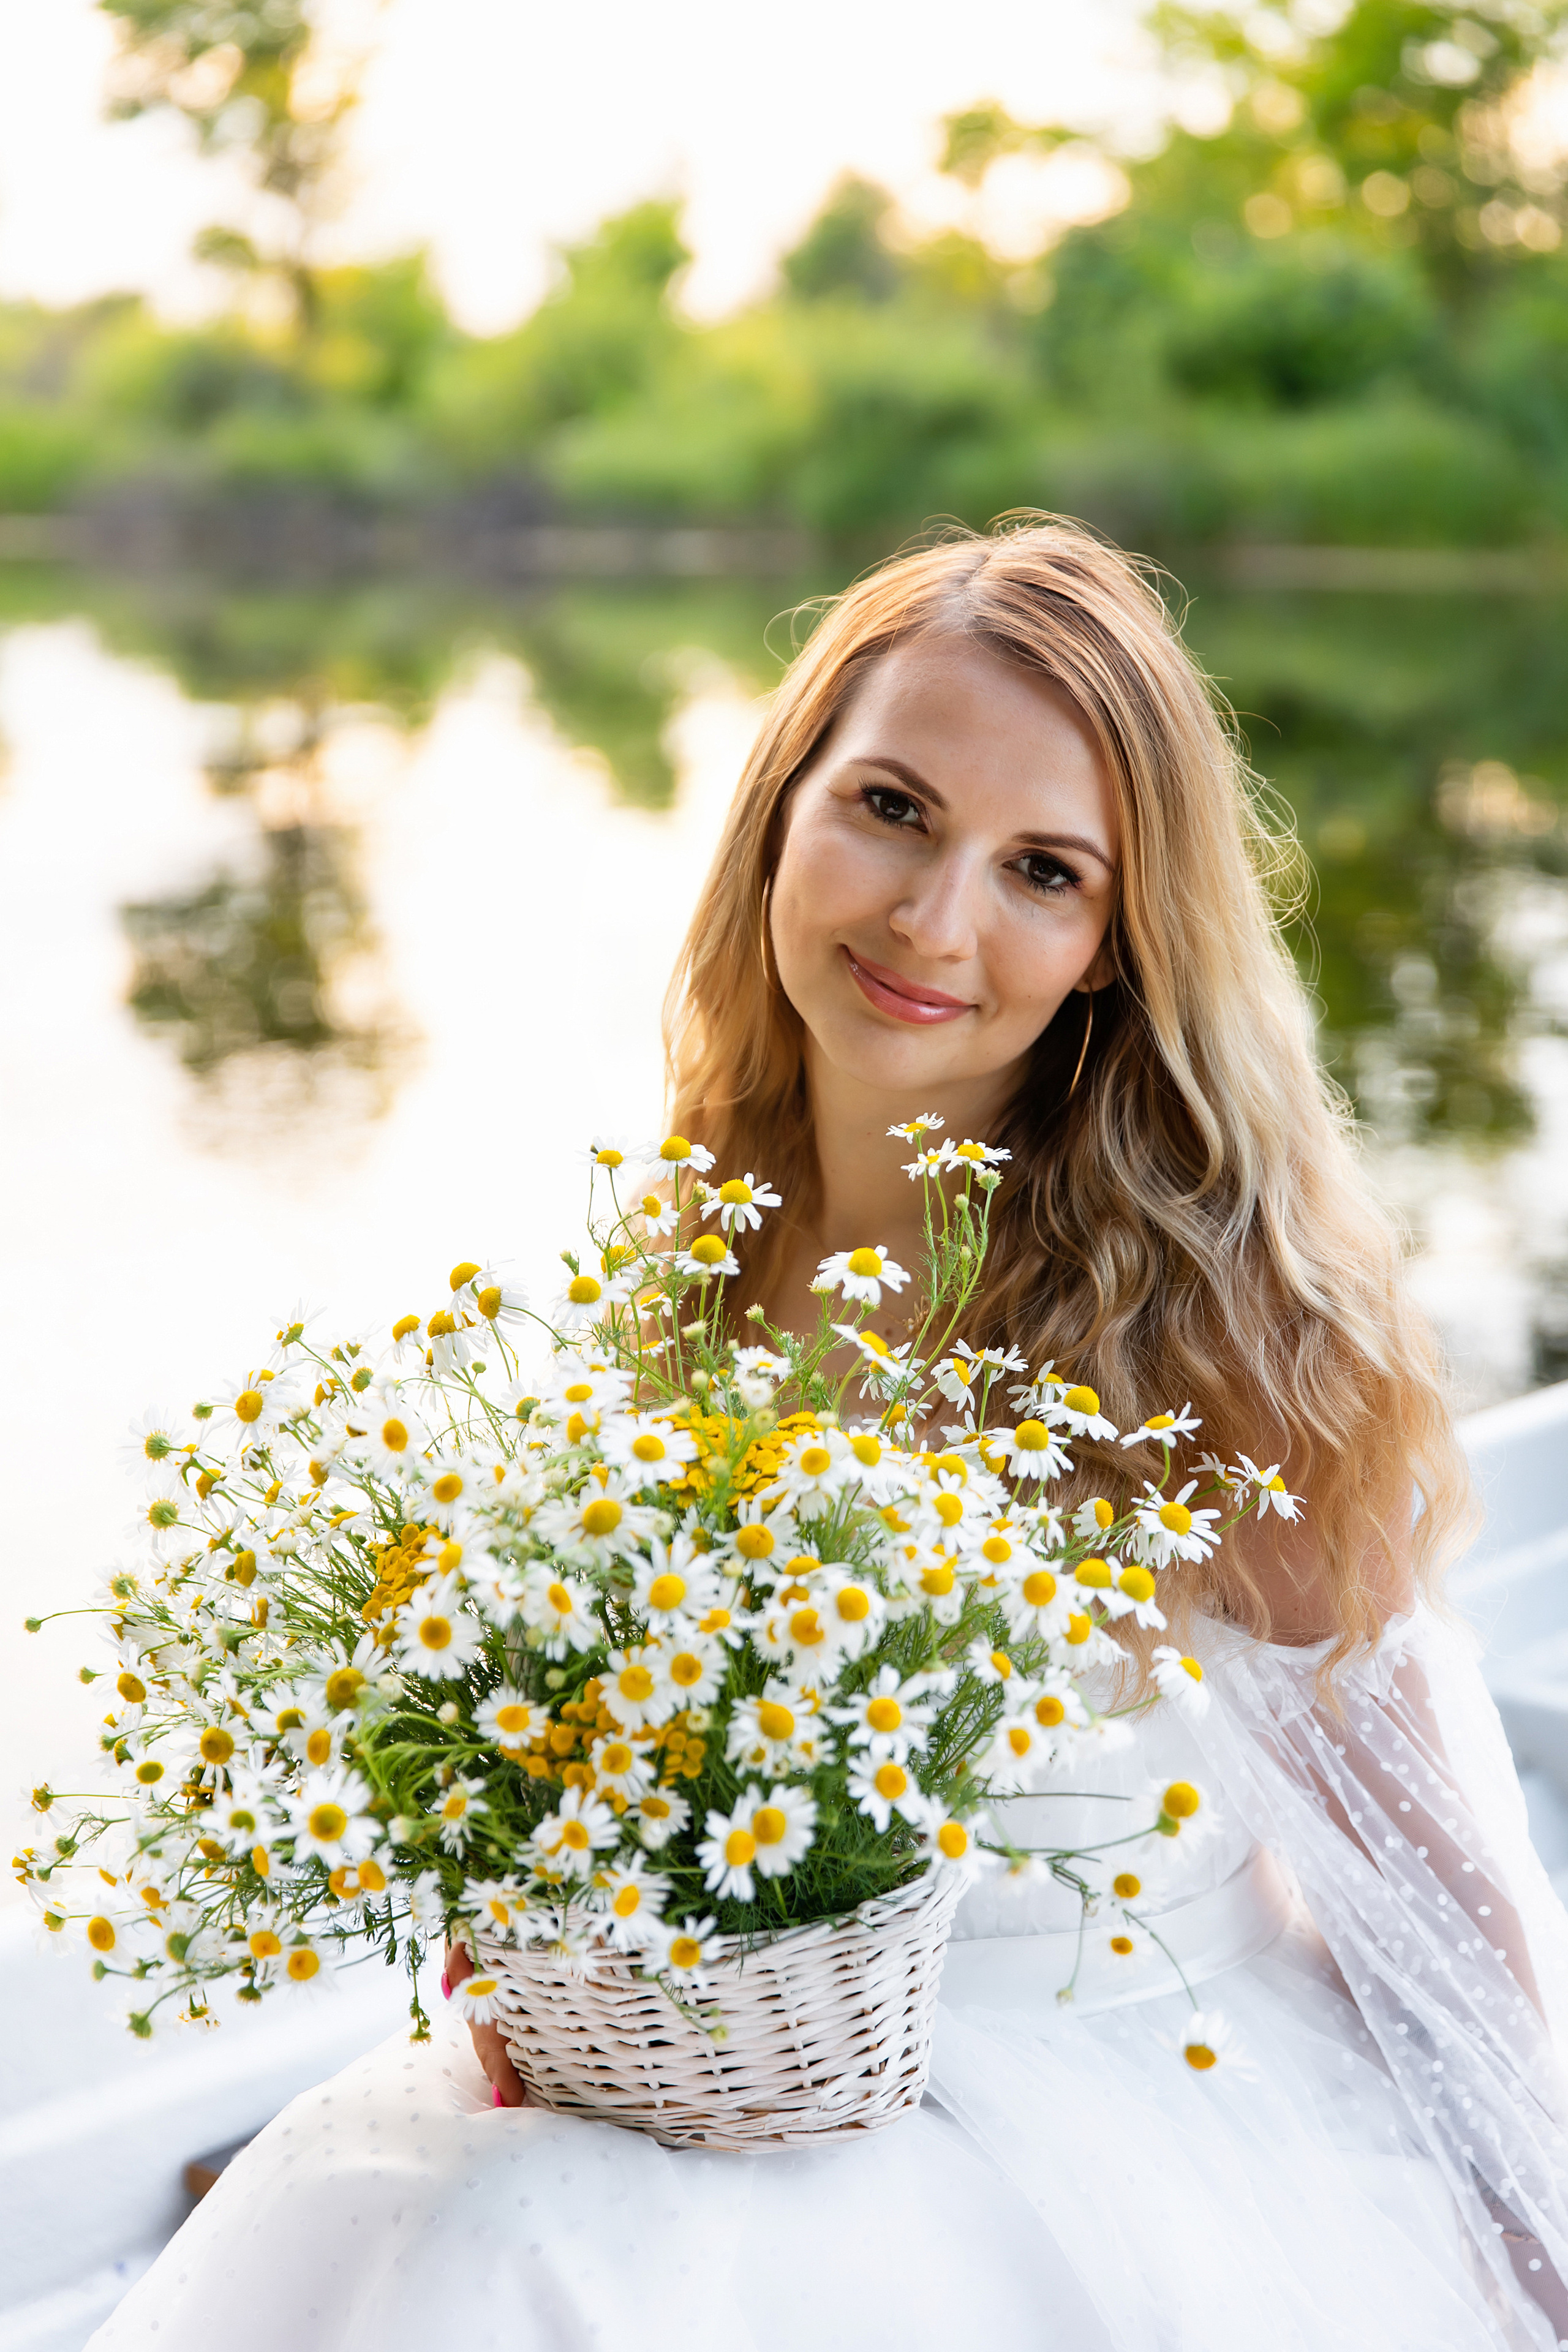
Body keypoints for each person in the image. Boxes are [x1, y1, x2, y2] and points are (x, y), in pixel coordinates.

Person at [92, 519, 1568, 2351]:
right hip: (746, 2067)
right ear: (782, 806)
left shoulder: (1205, 1324)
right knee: (362, 2195)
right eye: (890, 808)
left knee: (528, 2262)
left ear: (1118, 945)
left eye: (1043, 870)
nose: (935, 924)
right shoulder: (698, 1229)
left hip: (1098, 2091)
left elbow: (1429, 1884)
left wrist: (1530, 2272)